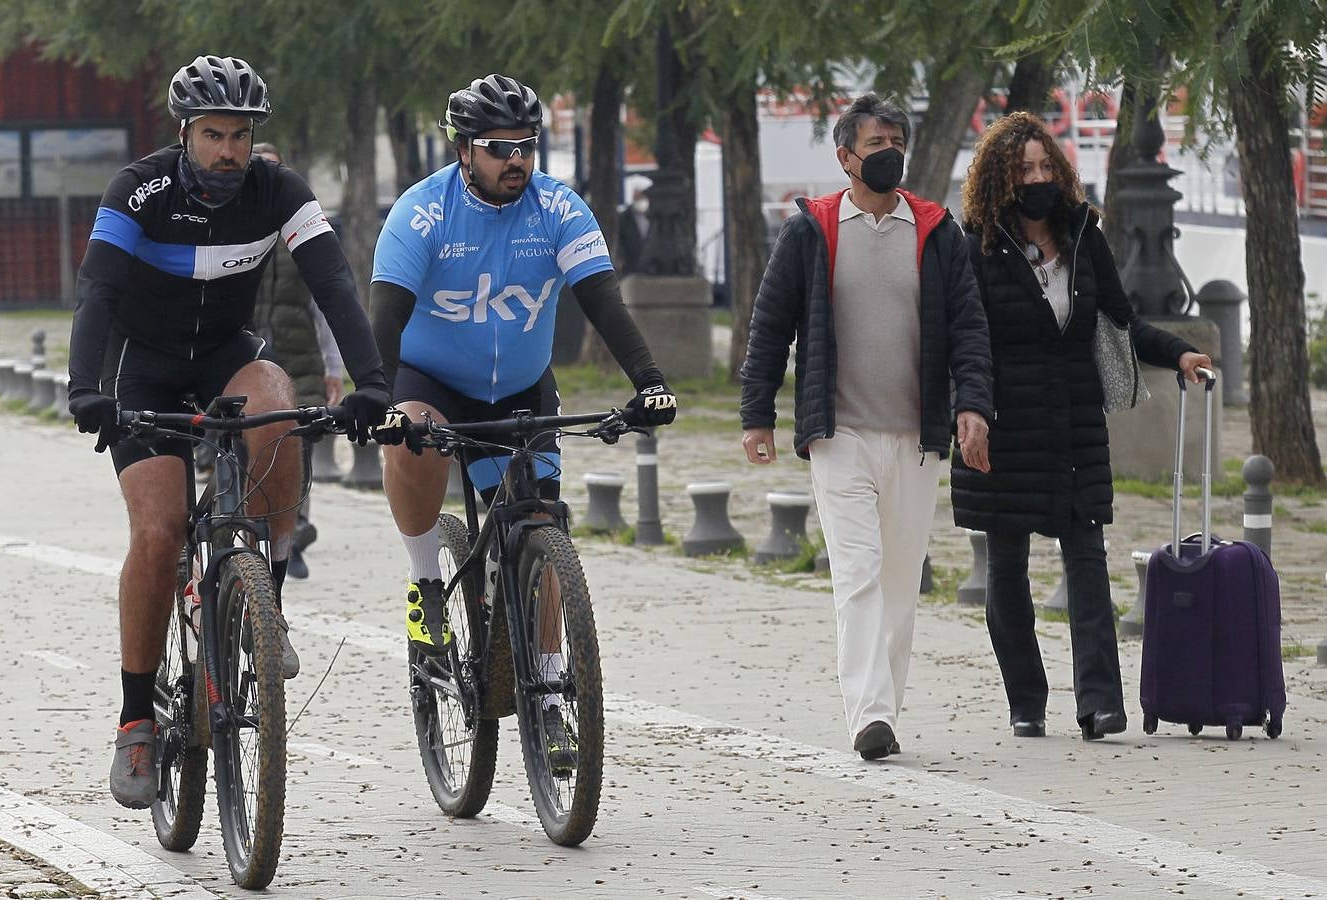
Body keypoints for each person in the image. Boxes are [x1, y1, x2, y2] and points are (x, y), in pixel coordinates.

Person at [67, 55, 390, 809]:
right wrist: (86, 389)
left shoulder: (279, 191)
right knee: (159, 534)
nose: (229, 151)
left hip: (227, 357)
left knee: (278, 408)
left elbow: (335, 283)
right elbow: (97, 290)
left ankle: (263, 604)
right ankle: (136, 716)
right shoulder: (138, 191)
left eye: (241, 136)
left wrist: (373, 382)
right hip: (142, 373)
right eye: (214, 134)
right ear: (185, 134)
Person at [368, 73, 676, 762]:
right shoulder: (422, 213)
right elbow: (383, 321)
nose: (517, 161)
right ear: (464, 151)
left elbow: (603, 300)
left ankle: (546, 689)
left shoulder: (558, 208)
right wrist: (380, 402)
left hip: (520, 388)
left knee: (538, 525)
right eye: (500, 147)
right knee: (413, 440)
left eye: (527, 147)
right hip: (433, 379)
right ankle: (425, 584)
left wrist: (650, 383)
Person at [739, 92, 994, 761]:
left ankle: (884, 703)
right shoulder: (811, 230)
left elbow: (969, 327)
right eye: (875, 143)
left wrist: (973, 405)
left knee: (900, 582)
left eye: (896, 141)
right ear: (845, 156)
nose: (890, 153)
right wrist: (756, 415)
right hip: (839, 434)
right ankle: (870, 716)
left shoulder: (938, 231)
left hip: (916, 436)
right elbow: (770, 326)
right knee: (857, 573)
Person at [951, 111, 1213, 741]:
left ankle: (1100, 702)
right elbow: (965, 340)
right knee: (1006, 566)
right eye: (1023, 170)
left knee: (1088, 559)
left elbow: (1120, 324)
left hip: (1073, 425)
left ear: (1062, 171)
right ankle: (1026, 700)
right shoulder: (977, 247)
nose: (1037, 178)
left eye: (1045, 166)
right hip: (1003, 423)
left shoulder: (1083, 237)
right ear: (999, 180)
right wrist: (970, 411)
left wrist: (1177, 351)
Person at [250, 141, 346, 580]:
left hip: (298, 364)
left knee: (298, 452)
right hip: (245, 366)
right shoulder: (235, 236)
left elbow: (325, 310)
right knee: (243, 449)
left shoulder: (302, 239)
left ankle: (296, 534)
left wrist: (333, 369)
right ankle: (251, 534)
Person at [616, 176, 651, 274]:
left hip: (650, 269)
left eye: (642, 196)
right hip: (630, 268)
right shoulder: (624, 218)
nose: (641, 200)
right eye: (638, 196)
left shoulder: (653, 215)